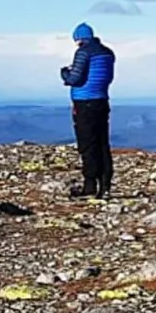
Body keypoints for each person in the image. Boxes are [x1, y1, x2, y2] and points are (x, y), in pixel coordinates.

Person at [60, 22, 116, 198]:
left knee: (87, 144)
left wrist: (64, 74)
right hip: (102, 100)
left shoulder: (83, 52)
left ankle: (90, 185)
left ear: (78, 38)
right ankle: (105, 186)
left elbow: (75, 79)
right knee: (102, 143)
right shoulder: (108, 53)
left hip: (84, 102)